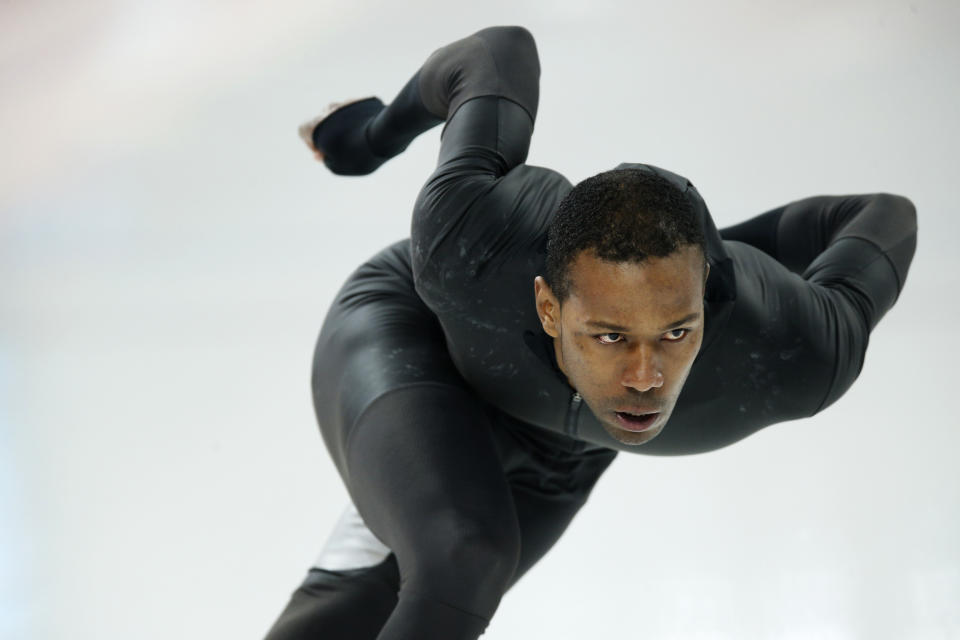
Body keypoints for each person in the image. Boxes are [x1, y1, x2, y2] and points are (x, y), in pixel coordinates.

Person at [264, 26, 917, 640]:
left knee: (367, 612)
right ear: (548, 308)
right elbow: (498, 50)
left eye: (675, 332)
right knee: (464, 555)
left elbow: (883, 214)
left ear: (708, 307)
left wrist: (699, 266)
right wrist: (370, 137)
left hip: (558, 455)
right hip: (416, 340)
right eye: (609, 335)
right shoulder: (474, 237)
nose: (644, 379)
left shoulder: (797, 350)